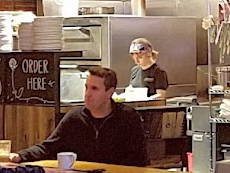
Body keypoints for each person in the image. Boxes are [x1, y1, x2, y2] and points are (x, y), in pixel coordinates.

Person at [13, 67, 147, 167]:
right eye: (86, 87)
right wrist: (20, 156)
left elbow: (138, 160)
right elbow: (49, 147)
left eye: (94, 89)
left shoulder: (128, 118)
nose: (87, 94)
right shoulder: (75, 117)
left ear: (109, 93)